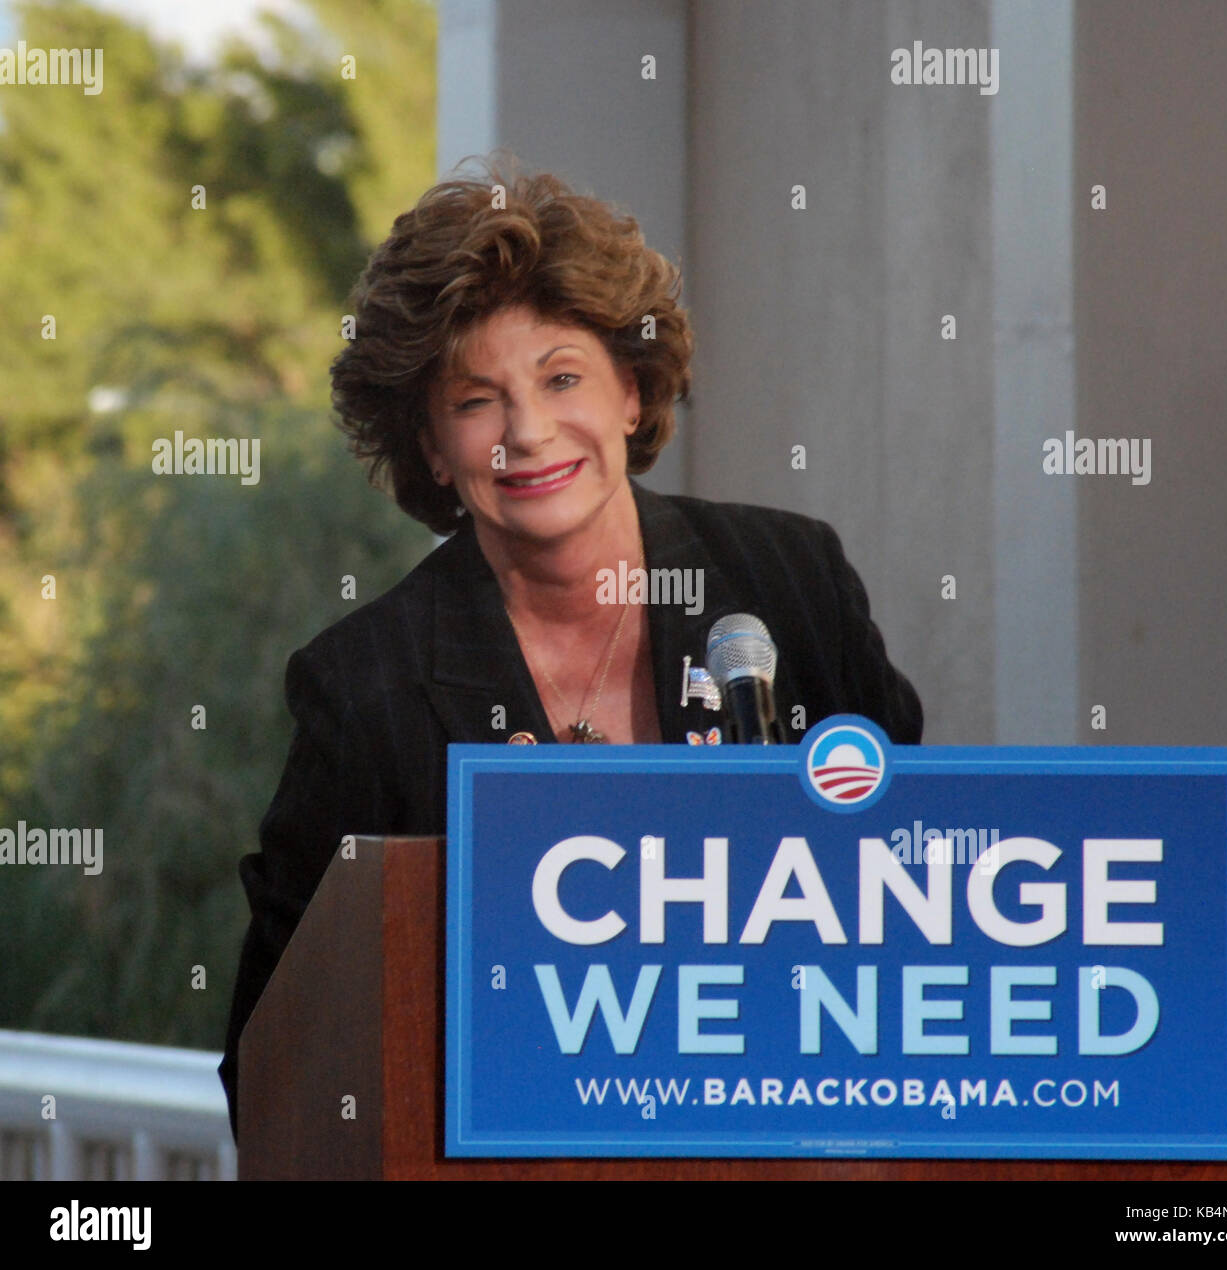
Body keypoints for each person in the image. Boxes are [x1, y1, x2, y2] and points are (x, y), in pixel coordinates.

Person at [218, 159, 922, 1139]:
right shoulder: (363, 686)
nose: (528, 431)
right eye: (475, 401)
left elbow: (924, 892)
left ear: (630, 393)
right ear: (429, 447)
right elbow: (274, 1059)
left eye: (561, 377)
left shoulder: (787, 579)